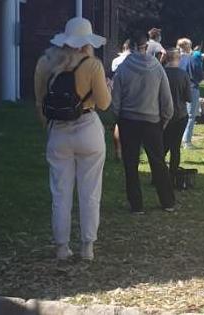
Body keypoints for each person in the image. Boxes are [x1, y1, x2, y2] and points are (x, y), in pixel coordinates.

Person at [34, 17, 111, 261]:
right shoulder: (92, 65)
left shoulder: (45, 64)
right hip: (88, 127)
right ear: (87, 41)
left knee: (60, 192)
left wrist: (49, 127)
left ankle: (61, 246)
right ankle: (87, 246)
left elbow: (40, 102)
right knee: (90, 192)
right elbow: (104, 104)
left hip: (58, 131)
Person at [111, 31, 175, 214]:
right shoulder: (157, 67)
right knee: (158, 162)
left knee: (130, 164)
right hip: (152, 122)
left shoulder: (123, 68)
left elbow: (115, 100)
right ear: (146, 47)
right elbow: (166, 100)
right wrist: (163, 120)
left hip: (128, 120)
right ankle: (167, 201)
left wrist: (118, 118)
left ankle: (136, 204)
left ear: (130, 47)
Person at [163, 48, 191, 182]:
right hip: (180, 115)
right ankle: (173, 174)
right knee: (175, 147)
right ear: (178, 59)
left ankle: (158, 174)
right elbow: (188, 97)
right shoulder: (183, 74)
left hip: (163, 115)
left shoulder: (161, 73)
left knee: (162, 147)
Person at [177, 37, 204, 149]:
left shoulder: (176, 59)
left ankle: (177, 138)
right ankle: (186, 140)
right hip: (191, 87)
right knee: (191, 115)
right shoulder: (192, 59)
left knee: (178, 114)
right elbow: (199, 74)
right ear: (188, 47)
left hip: (177, 88)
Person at [110, 39, 132, 161]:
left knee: (118, 123)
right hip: (130, 92)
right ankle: (129, 150)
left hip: (117, 91)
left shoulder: (116, 60)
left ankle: (118, 151)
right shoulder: (133, 60)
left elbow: (113, 74)